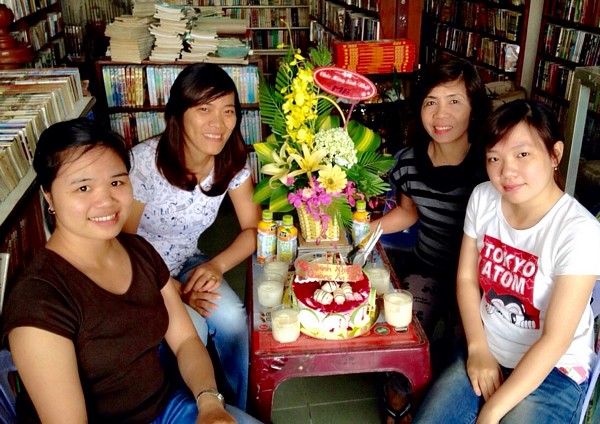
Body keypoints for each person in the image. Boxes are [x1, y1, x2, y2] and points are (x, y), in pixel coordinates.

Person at [1, 118, 261, 423]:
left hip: (169, 408)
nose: (106, 200)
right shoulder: (40, 300)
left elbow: (186, 341)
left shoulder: (138, 251)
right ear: (48, 195)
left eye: (116, 182)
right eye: (83, 187)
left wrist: (209, 403)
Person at [413, 99, 600, 423]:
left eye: (522, 154)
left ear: (555, 154)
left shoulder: (579, 231)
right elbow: (466, 279)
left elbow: (556, 339)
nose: (506, 171)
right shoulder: (483, 197)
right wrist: (477, 349)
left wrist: (491, 411)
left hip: (554, 369)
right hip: (488, 347)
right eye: (494, 158)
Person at [123, 63, 261, 411]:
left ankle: (236, 408)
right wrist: (176, 290)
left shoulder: (232, 162)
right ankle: (183, 410)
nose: (218, 123)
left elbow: (253, 229)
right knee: (192, 331)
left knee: (233, 320)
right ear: (178, 114)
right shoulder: (144, 163)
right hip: (140, 275)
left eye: (228, 111)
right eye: (204, 109)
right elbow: (122, 246)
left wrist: (216, 266)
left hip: (187, 261)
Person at [370, 57, 492, 424]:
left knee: (462, 352)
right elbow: (408, 212)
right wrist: (363, 231)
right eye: (431, 102)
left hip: (480, 283)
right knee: (399, 333)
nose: (441, 114)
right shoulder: (409, 161)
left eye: (454, 101)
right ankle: (396, 396)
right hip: (428, 267)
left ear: (474, 108)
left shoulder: (490, 165)